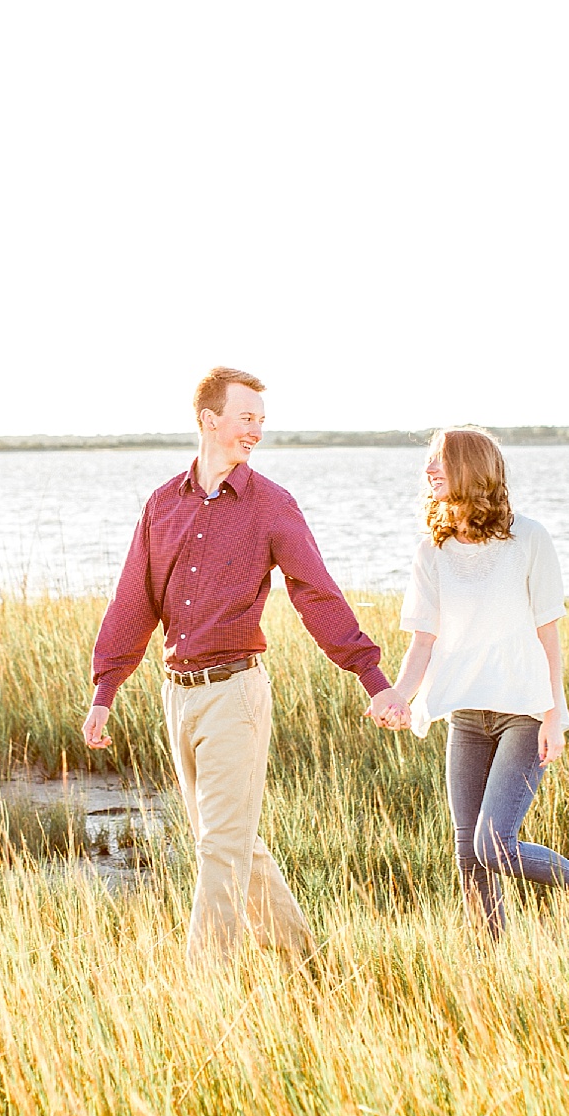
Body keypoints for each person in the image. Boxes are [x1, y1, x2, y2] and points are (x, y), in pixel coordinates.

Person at [82, 366, 410, 963]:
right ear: (210, 420)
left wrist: (373, 678)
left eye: (262, 419)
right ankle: (306, 964)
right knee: (229, 843)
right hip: (177, 694)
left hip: (235, 694)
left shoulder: (270, 505)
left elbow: (316, 593)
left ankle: (206, 990)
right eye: (246, 418)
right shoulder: (162, 505)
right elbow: (134, 599)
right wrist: (106, 690)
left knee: (218, 853)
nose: (256, 430)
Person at [385, 427, 569, 937]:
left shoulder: (530, 539)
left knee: (494, 843)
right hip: (466, 717)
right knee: (467, 850)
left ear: (473, 471)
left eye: (441, 461)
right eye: (428, 462)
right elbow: (422, 643)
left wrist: (553, 717)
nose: (429, 470)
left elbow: (549, 636)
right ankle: (489, 960)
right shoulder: (430, 553)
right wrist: (397, 694)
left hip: (524, 712)